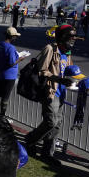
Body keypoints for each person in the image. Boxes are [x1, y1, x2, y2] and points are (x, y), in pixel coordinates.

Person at [24, 24, 76, 167]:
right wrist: (59, 79)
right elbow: (42, 71)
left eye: (74, 38)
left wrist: (79, 78)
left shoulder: (68, 53)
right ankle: (30, 140)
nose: (73, 41)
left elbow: (68, 70)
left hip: (62, 93)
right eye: (70, 38)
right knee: (50, 122)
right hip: (50, 92)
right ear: (62, 37)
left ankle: (48, 153)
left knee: (57, 125)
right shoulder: (50, 49)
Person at [0, 27, 23, 117]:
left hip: (0, 74)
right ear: (12, 37)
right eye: (15, 36)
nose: (16, 38)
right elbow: (11, 63)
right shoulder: (11, 48)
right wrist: (20, 59)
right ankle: (2, 115)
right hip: (9, 76)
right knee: (5, 96)